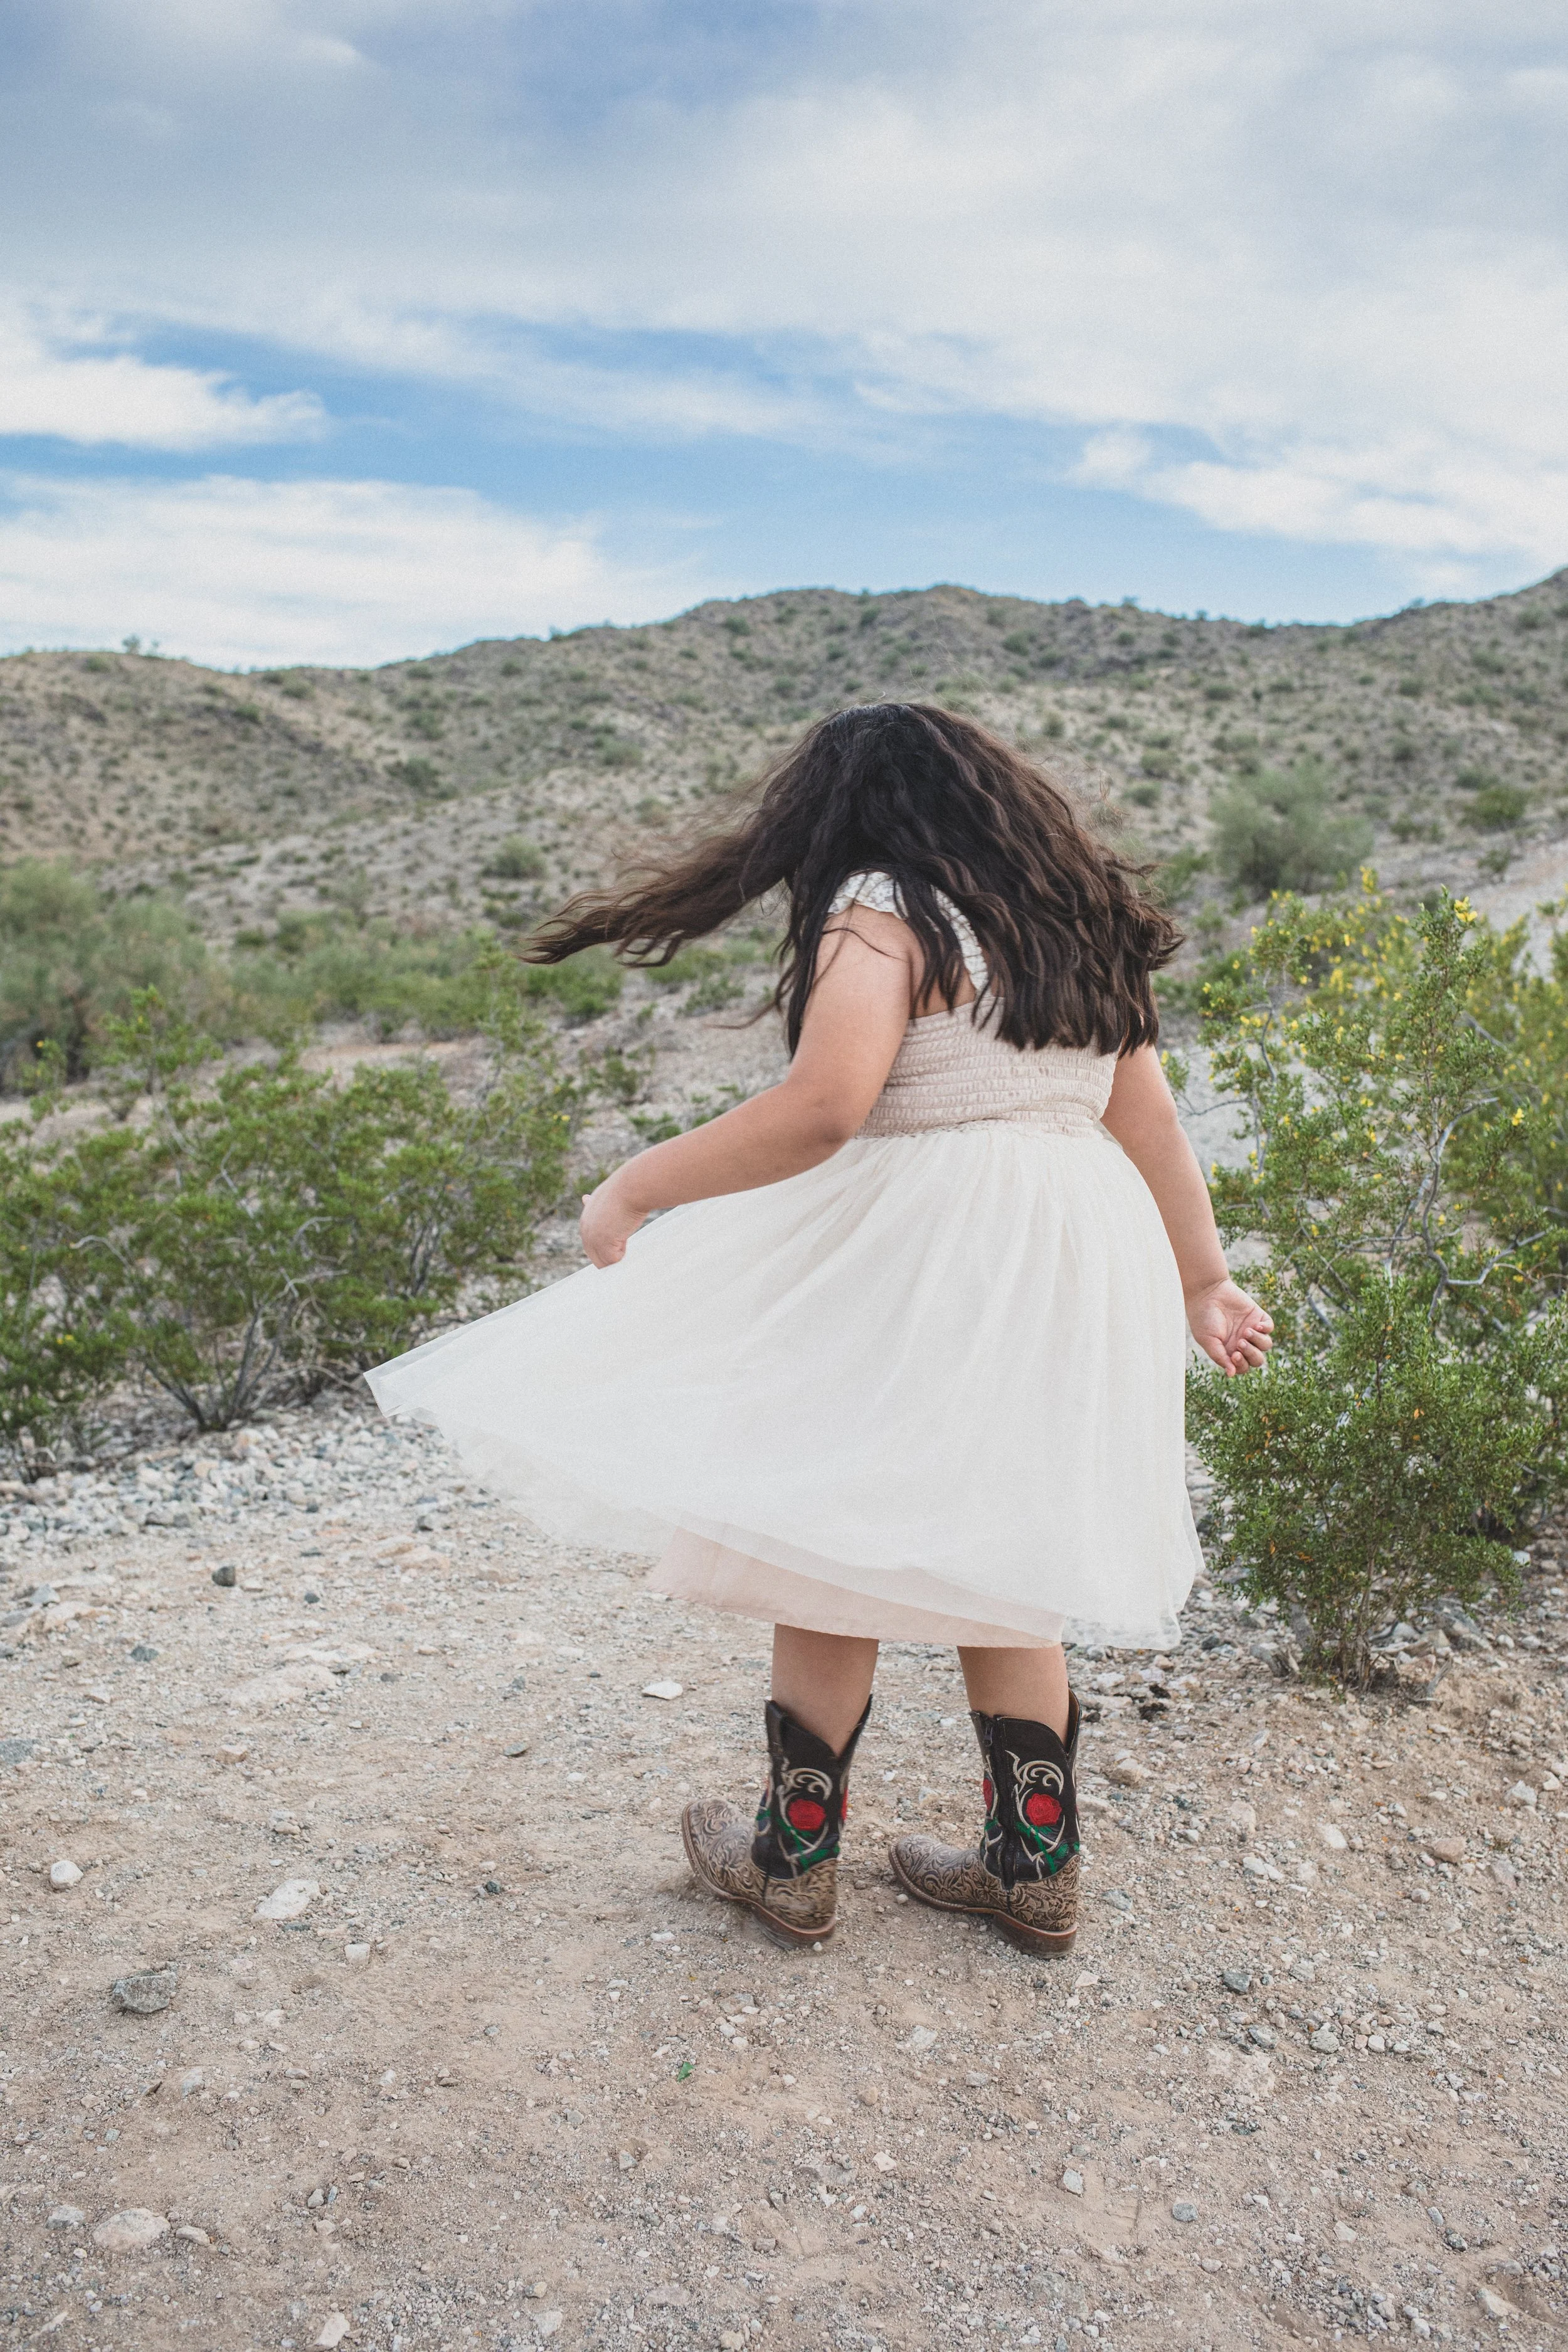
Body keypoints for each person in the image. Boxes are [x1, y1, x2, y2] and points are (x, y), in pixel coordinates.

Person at [367, 702, 1271, 1957]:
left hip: (933, 1241)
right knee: (1007, 1546)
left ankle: (793, 1863)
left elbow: (823, 1106)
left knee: (827, 1521)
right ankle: (1032, 1869)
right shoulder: (1069, 917)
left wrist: (638, 1183)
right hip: (1076, 1241)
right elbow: (1150, 1123)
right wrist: (1199, 1281)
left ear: (844, 808)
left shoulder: (884, 905)